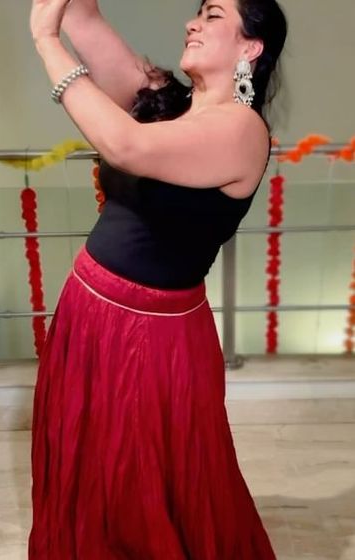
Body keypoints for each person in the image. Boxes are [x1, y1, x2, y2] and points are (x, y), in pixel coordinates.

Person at [28, 0, 287, 558]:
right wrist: (61, 20)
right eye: (198, 13)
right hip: (87, 312)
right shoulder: (167, 100)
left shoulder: (242, 131)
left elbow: (125, 145)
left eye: (213, 16)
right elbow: (84, 18)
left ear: (251, 47)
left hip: (153, 341)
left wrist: (46, 43)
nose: (193, 22)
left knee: (137, 482)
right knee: (89, 470)